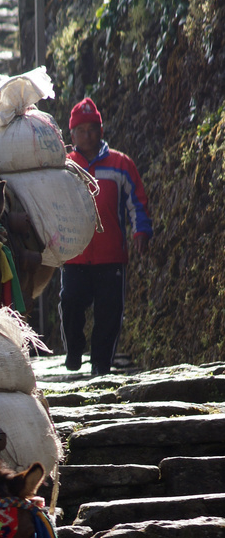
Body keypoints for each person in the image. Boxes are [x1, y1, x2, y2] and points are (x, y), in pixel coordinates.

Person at [59, 96, 152, 376]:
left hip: (111, 256)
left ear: (101, 131)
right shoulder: (62, 166)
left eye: (92, 128)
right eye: (81, 130)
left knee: (109, 312)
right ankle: (74, 351)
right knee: (70, 302)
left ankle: (101, 364)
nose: (87, 134)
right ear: (71, 134)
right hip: (74, 255)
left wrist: (141, 230)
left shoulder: (120, 164)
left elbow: (137, 201)